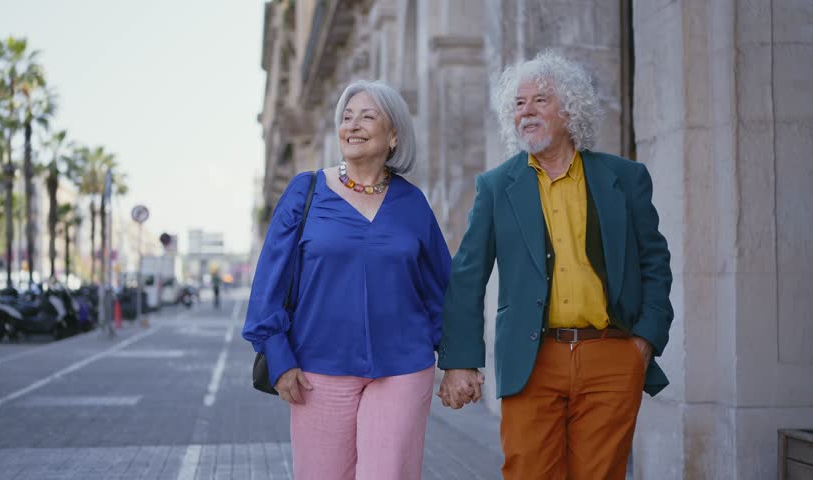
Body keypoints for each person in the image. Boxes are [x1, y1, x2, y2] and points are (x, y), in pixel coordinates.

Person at [436, 51, 673, 480]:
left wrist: (644, 342)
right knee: (528, 471)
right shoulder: (495, 187)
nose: (527, 111)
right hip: (532, 357)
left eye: (540, 100)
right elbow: (467, 276)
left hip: (611, 353)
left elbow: (655, 260)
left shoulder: (624, 177)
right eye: (519, 104)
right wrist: (460, 362)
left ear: (571, 109)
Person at [242, 80, 451, 480]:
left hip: (403, 366)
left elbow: (440, 288)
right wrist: (280, 359)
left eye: (367, 116)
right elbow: (269, 283)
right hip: (317, 368)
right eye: (347, 117)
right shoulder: (306, 191)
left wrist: (460, 362)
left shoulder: (412, 202)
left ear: (393, 135)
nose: (352, 125)